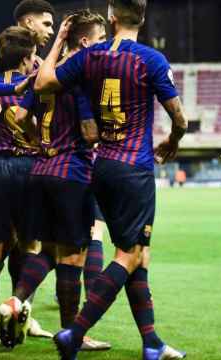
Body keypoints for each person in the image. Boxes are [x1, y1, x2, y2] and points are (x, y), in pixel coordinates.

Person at [35, 0, 188, 358]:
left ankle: (152, 343)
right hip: (134, 169)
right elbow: (179, 119)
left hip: (101, 165)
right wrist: (174, 139)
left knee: (139, 255)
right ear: (143, 18)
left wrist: (60, 39)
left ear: (111, 16)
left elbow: (43, 81)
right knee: (130, 255)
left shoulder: (92, 55)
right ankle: (74, 332)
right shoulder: (150, 60)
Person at [0, 9, 111, 351]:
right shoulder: (82, 76)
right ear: (86, 42)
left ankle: (14, 301)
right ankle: (73, 335)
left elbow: (18, 114)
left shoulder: (45, 74)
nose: (104, 45)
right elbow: (89, 133)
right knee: (73, 258)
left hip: (40, 171)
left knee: (46, 251)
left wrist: (38, 142)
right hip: (71, 173)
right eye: (101, 39)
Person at [0, 0, 57, 340]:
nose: (49, 32)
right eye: (45, 25)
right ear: (28, 26)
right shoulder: (34, 77)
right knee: (29, 245)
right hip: (24, 164)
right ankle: (18, 311)